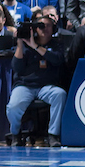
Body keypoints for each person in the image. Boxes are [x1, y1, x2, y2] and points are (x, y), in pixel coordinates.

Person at [6, 11, 68, 147]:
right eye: (41, 26)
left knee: (60, 95)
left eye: (48, 26)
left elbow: (57, 60)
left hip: (47, 86)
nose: (44, 29)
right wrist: (21, 43)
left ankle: (53, 135)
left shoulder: (57, 44)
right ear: (35, 29)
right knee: (13, 106)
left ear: (53, 29)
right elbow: (17, 67)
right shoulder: (26, 45)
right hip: (25, 85)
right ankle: (16, 134)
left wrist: (36, 46)